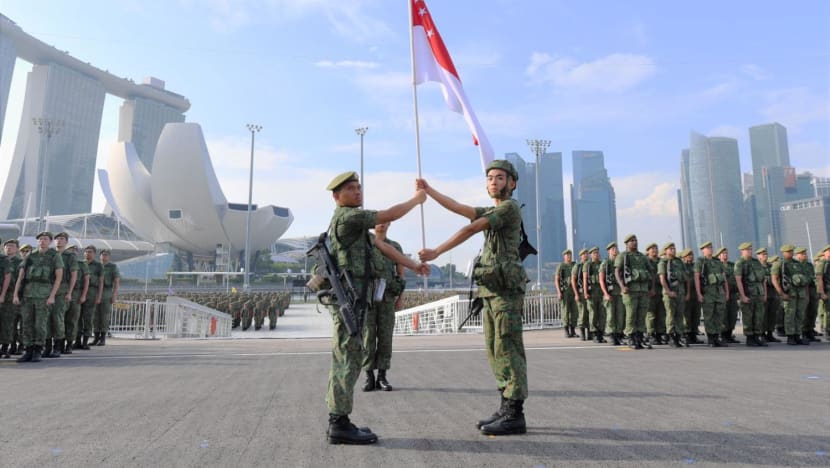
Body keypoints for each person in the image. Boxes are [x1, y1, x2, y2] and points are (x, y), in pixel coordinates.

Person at [418, 160, 529, 436]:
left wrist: (437, 252)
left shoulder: (508, 208)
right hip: (491, 289)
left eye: (500, 177)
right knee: (494, 348)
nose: (494, 181)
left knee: (508, 347)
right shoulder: (493, 209)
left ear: (512, 183)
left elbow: (471, 228)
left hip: (505, 292)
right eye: (490, 177)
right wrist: (430, 191)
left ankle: (515, 412)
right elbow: (459, 208)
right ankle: (505, 405)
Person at [321, 170, 427, 445]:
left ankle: (339, 420)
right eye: (351, 189)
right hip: (351, 300)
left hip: (356, 300)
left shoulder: (355, 228)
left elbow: (382, 247)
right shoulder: (349, 217)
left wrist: (414, 265)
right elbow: (389, 214)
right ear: (337, 196)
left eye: (359, 187)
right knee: (348, 359)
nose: (358, 192)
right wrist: (417, 199)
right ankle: (339, 423)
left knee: (348, 358)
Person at [361, 222, 407, 392]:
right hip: (368, 297)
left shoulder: (394, 246)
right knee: (368, 337)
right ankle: (369, 377)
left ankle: (382, 376)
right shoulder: (365, 244)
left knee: (386, 337)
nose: (381, 225)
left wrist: (400, 298)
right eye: (378, 222)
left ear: (389, 224)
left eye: (384, 222)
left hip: (387, 297)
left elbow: (401, 274)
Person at [13, 231, 64, 363]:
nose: (42, 241)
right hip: (28, 294)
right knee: (27, 324)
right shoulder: (31, 256)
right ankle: (28, 350)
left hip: (44, 295)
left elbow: (58, 278)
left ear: (50, 241)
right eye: (40, 239)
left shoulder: (55, 256)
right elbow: (21, 277)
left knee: (40, 324)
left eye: (45, 239)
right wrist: (16, 294)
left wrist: (52, 296)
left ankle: (37, 350)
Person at [615, 234, 654, 350]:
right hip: (630, 290)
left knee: (641, 315)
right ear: (626, 244)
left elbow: (651, 272)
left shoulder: (643, 257)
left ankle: (640, 338)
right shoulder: (623, 256)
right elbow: (617, 272)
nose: (634, 242)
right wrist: (622, 286)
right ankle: (631, 338)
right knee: (631, 315)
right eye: (632, 241)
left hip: (643, 290)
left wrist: (651, 288)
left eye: (635, 240)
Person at [771, 244, 809, 345]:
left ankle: (797, 335)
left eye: (792, 251)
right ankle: (790, 336)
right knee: (790, 315)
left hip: (800, 294)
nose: (791, 253)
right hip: (789, 294)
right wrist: (781, 293)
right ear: (784, 253)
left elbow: (804, 279)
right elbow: (774, 279)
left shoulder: (798, 264)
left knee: (800, 315)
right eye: (789, 251)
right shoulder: (780, 264)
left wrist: (806, 294)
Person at [694, 241, 729, 347]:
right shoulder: (700, 261)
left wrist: (726, 292)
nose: (710, 249)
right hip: (708, 292)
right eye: (707, 248)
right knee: (709, 315)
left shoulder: (718, 262)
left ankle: (717, 336)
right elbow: (697, 278)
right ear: (703, 250)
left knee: (719, 315)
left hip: (719, 292)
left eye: (711, 247)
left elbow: (724, 279)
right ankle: (711, 338)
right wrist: (699, 293)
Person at [734, 242, 768, 347]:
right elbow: (738, 280)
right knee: (748, 316)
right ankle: (750, 337)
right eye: (747, 249)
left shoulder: (756, 262)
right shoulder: (740, 263)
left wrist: (764, 294)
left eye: (750, 249)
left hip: (758, 293)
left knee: (759, 316)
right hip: (748, 293)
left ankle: (757, 336)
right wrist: (742, 295)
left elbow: (763, 280)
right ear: (742, 251)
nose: (750, 251)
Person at [658, 242, 689, 348]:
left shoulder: (679, 262)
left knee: (680, 315)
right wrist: (669, 292)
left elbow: (686, 279)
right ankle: (671, 336)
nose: (673, 250)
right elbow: (662, 279)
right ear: (665, 250)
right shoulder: (663, 262)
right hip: (669, 293)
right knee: (671, 315)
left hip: (680, 292)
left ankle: (679, 335)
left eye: (674, 248)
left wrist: (687, 293)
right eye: (670, 249)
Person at [94, 249, 119, 346]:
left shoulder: (112, 267)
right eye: (103, 255)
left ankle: (103, 338)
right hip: (95, 291)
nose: (104, 257)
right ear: (100, 256)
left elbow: (116, 282)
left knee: (104, 316)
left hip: (106, 292)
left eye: (106, 255)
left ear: (109, 256)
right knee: (95, 316)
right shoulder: (97, 266)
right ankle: (96, 338)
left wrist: (114, 295)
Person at [601, 242, 624, 345]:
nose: (615, 250)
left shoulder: (620, 263)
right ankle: (611, 334)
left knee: (620, 315)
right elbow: (601, 280)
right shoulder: (605, 263)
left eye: (616, 248)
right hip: (610, 293)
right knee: (610, 315)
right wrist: (605, 293)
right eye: (612, 249)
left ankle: (619, 334)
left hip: (619, 293)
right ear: (609, 251)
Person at [67, 245, 89, 351]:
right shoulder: (63, 262)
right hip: (62, 293)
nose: (73, 252)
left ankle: (70, 343)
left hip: (76, 294)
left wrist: (83, 295)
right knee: (60, 320)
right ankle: (59, 343)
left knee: (73, 320)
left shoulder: (81, 264)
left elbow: (86, 281)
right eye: (71, 250)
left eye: (75, 250)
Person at [80, 246, 103, 349]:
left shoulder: (98, 265)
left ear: (94, 254)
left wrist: (99, 297)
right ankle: (77, 341)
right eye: (86, 252)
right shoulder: (80, 263)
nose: (87, 254)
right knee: (77, 318)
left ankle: (85, 341)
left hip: (91, 293)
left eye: (90, 252)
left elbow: (101, 282)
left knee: (88, 318)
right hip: (79, 292)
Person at [757, 249, 782, 343]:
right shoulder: (757, 267)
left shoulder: (771, 266)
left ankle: (770, 333)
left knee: (772, 314)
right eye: (763, 254)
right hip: (762, 293)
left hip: (773, 293)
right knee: (763, 315)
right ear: (758, 256)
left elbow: (777, 277)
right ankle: (762, 334)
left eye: (766, 254)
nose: (765, 256)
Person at [583, 247, 606, 343]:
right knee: (593, 314)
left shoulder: (602, 264)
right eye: (594, 253)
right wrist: (585, 292)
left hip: (601, 292)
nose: (597, 255)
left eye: (597, 253)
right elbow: (585, 279)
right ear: (591, 255)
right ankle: (594, 333)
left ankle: (601, 333)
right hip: (592, 292)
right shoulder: (588, 265)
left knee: (602, 314)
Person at [645, 242, 666, 345]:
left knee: (661, 314)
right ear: (648, 251)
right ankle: (651, 334)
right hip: (650, 291)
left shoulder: (661, 262)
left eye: (656, 248)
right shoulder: (646, 262)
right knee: (651, 314)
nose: (654, 250)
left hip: (661, 290)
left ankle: (660, 333)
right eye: (652, 249)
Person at [718, 247, 741, 344]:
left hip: (733, 294)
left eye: (726, 253)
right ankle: (723, 335)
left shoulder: (732, 265)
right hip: (722, 294)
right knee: (724, 316)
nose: (725, 255)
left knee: (733, 315)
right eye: (723, 253)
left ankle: (729, 334)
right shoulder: (718, 265)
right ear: (719, 255)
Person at [680, 249, 701, 344]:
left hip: (695, 294)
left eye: (692, 255)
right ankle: (686, 334)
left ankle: (694, 334)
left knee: (696, 315)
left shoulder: (695, 266)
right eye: (688, 255)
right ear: (684, 257)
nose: (691, 257)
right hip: (686, 293)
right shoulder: (682, 267)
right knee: (686, 315)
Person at [554, 249, 577, 338]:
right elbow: (556, 280)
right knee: (565, 311)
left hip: (574, 291)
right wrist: (559, 292)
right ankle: (566, 331)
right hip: (565, 291)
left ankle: (573, 330)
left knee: (574, 311)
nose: (569, 256)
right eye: (567, 255)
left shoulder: (574, 265)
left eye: (570, 255)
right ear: (564, 257)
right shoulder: (561, 266)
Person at [572, 248, 590, 341]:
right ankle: (583, 333)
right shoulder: (578, 266)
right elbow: (573, 280)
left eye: (587, 254)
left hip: (591, 293)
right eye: (584, 254)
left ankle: (590, 333)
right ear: (581, 256)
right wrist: (576, 294)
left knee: (590, 313)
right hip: (581, 292)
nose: (586, 255)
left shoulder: (590, 265)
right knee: (582, 313)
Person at [816, 245, 830, 338]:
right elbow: (819, 278)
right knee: (828, 312)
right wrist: (822, 293)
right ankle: (827, 330)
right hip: (827, 290)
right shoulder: (822, 263)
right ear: (825, 252)